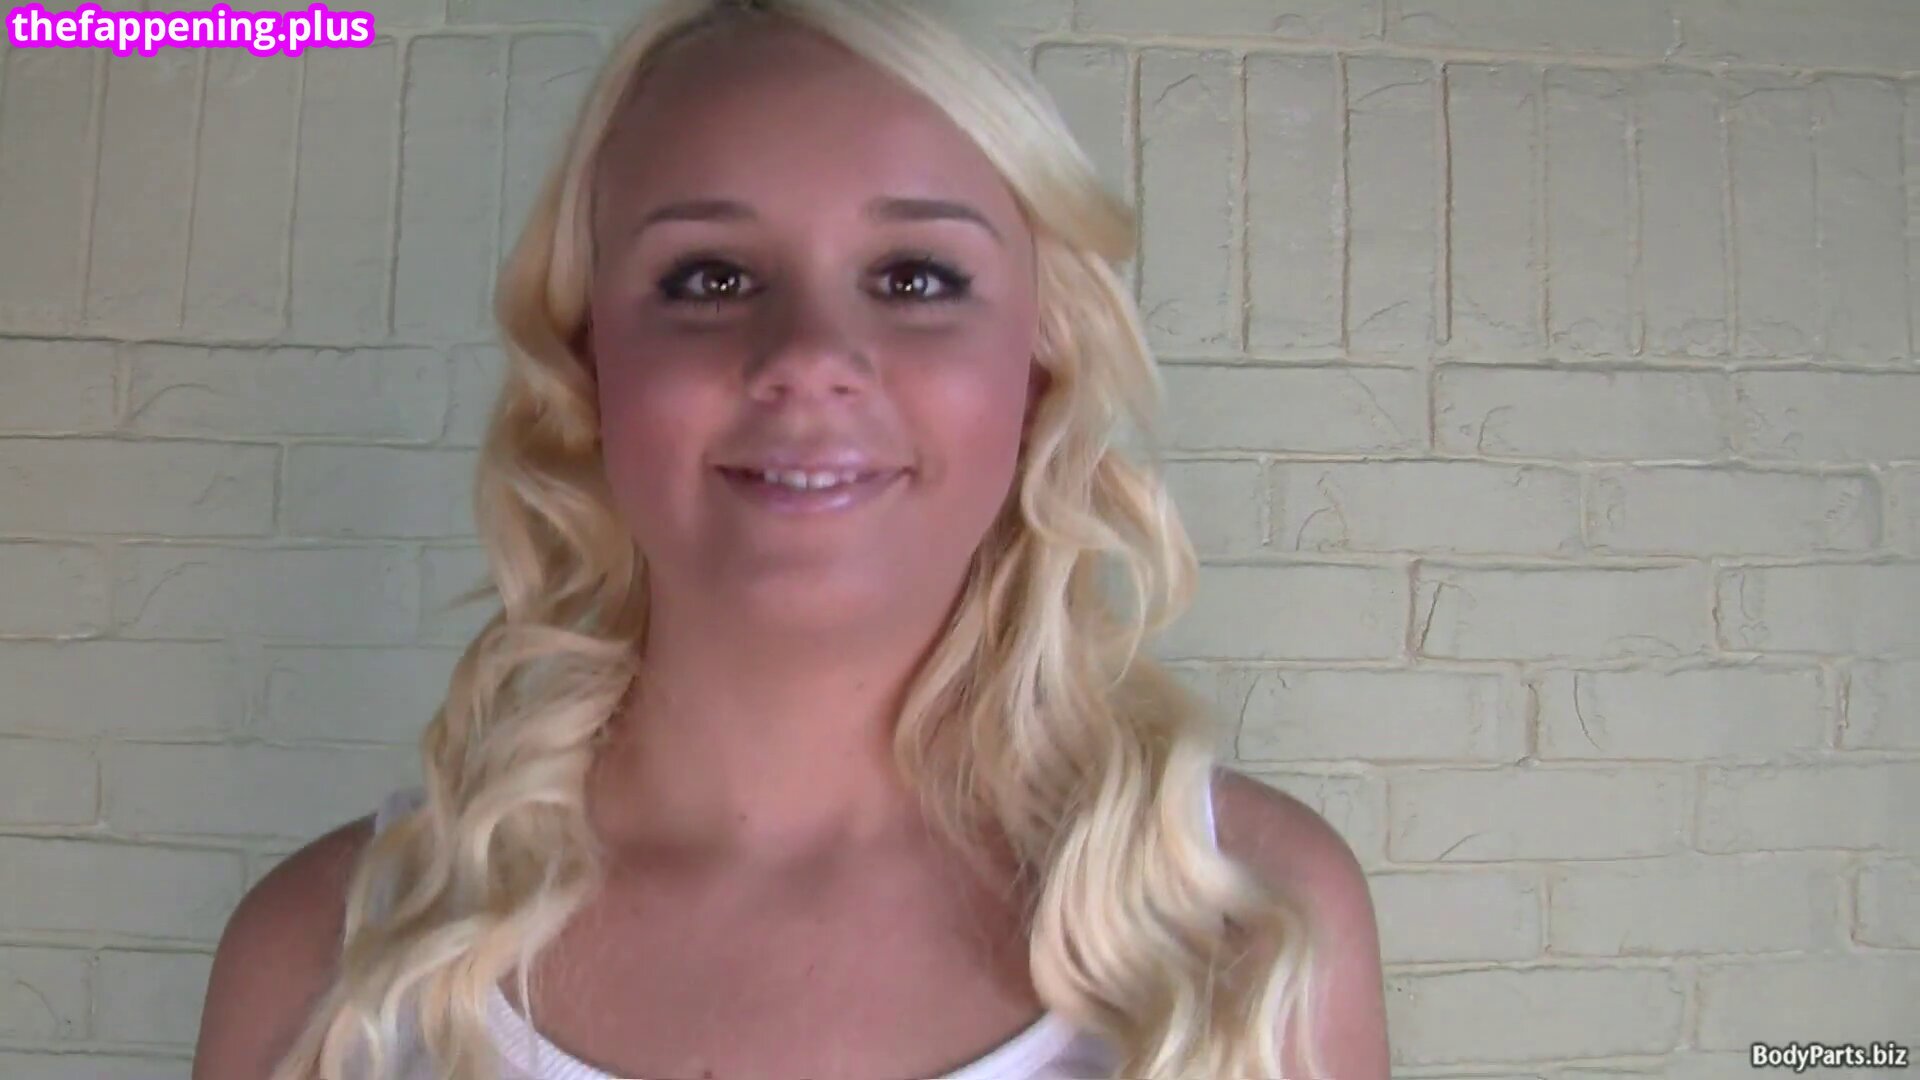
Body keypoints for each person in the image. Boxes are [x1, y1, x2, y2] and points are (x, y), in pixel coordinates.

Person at [190, 0, 1390, 1076]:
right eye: (710, 279)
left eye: (915, 278)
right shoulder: (326, 964)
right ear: (589, 363)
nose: (810, 356)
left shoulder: (1253, 927)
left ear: (1039, 365)